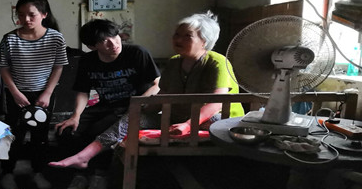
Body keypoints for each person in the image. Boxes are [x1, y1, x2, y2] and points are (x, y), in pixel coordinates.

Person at [49, 11, 244, 171]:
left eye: (187, 36)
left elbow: (216, 103)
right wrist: (138, 111)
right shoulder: (174, 62)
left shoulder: (217, 62)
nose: (178, 39)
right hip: (177, 117)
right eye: (177, 34)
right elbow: (163, 95)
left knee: (216, 123)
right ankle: (84, 157)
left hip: (215, 120)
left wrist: (187, 125)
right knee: (132, 118)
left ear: (204, 40)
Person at [50, 19, 160, 189]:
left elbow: (156, 85)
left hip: (131, 108)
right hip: (105, 106)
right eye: (104, 41)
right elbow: (83, 91)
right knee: (66, 130)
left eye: (115, 36)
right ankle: (81, 175)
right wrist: (75, 116)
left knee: (100, 129)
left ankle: (99, 175)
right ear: (92, 46)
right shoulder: (88, 60)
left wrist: (137, 103)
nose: (113, 43)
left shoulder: (137, 53)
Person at [0, 0, 68, 189]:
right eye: (21, 15)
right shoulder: (9, 39)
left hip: (44, 94)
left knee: (40, 136)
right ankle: (7, 173)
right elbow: (3, 68)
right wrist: (15, 93)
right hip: (16, 94)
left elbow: (58, 67)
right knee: (14, 135)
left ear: (44, 14)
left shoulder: (55, 38)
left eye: (31, 15)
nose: (26, 19)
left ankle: (38, 172)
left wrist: (47, 93)